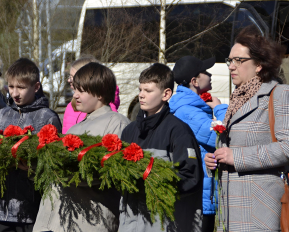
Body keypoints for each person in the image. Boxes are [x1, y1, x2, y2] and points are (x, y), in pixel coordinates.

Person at [204, 26, 289, 231]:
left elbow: (287, 148)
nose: (231, 66)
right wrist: (213, 161)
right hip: (229, 212)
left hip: (260, 212)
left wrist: (237, 157)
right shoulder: (236, 99)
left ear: (259, 64)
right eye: (229, 60)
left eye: (239, 61)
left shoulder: (279, 94)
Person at [33, 62, 130, 232]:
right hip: (58, 221)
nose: (75, 95)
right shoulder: (75, 128)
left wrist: (64, 171)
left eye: (81, 91)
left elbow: (110, 173)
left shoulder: (117, 123)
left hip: (89, 221)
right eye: (75, 89)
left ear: (100, 93)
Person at [118, 63, 203, 232]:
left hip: (162, 224)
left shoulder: (179, 131)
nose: (141, 95)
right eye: (140, 89)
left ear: (166, 94)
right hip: (130, 224)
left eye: (148, 91)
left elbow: (190, 177)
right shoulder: (129, 131)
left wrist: (152, 182)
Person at [0, 58, 62, 232]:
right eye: (11, 87)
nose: (15, 93)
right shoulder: (1, 116)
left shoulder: (47, 117)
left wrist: (32, 167)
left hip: (33, 209)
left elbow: (53, 165)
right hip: (1, 208)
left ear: (36, 87)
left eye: (21, 88)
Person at [170, 56, 228, 232]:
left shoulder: (188, 107)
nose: (210, 74)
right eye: (205, 71)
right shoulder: (189, 112)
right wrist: (219, 108)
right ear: (194, 81)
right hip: (201, 195)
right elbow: (221, 137)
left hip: (201, 191)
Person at [62, 57, 121, 134]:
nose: (75, 95)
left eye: (81, 90)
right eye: (69, 77)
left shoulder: (114, 123)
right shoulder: (73, 127)